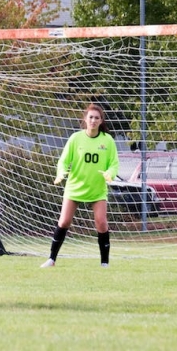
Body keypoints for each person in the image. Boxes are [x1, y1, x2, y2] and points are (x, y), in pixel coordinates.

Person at [41, 103, 119, 268]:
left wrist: (110, 174)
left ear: (101, 121)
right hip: (75, 187)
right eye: (90, 117)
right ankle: (51, 259)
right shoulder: (75, 138)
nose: (93, 120)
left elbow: (114, 164)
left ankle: (104, 263)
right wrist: (60, 173)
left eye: (96, 118)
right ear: (85, 119)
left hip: (97, 189)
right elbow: (63, 160)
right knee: (64, 222)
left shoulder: (107, 140)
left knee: (102, 223)